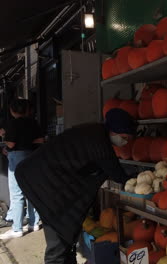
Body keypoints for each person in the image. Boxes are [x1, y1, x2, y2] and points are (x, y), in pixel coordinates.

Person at [14, 108, 135, 264]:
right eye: (125, 137)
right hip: (43, 183)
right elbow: (118, 175)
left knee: (66, 236)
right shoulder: (98, 140)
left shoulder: (94, 132)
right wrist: (134, 179)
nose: (125, 142)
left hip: (42, 178)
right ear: (115, 130)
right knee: (59, 235)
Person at [0, 99, 43, 239]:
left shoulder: (12, 124)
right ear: (26, 110)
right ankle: (34, 223)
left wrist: (4, 137)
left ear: (12, 111)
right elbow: (41, 140)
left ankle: (17, 229)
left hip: (17, 157)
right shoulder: (33, 122)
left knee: (17, 192)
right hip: (32, 156)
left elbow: (11, 144)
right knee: (31, 190)